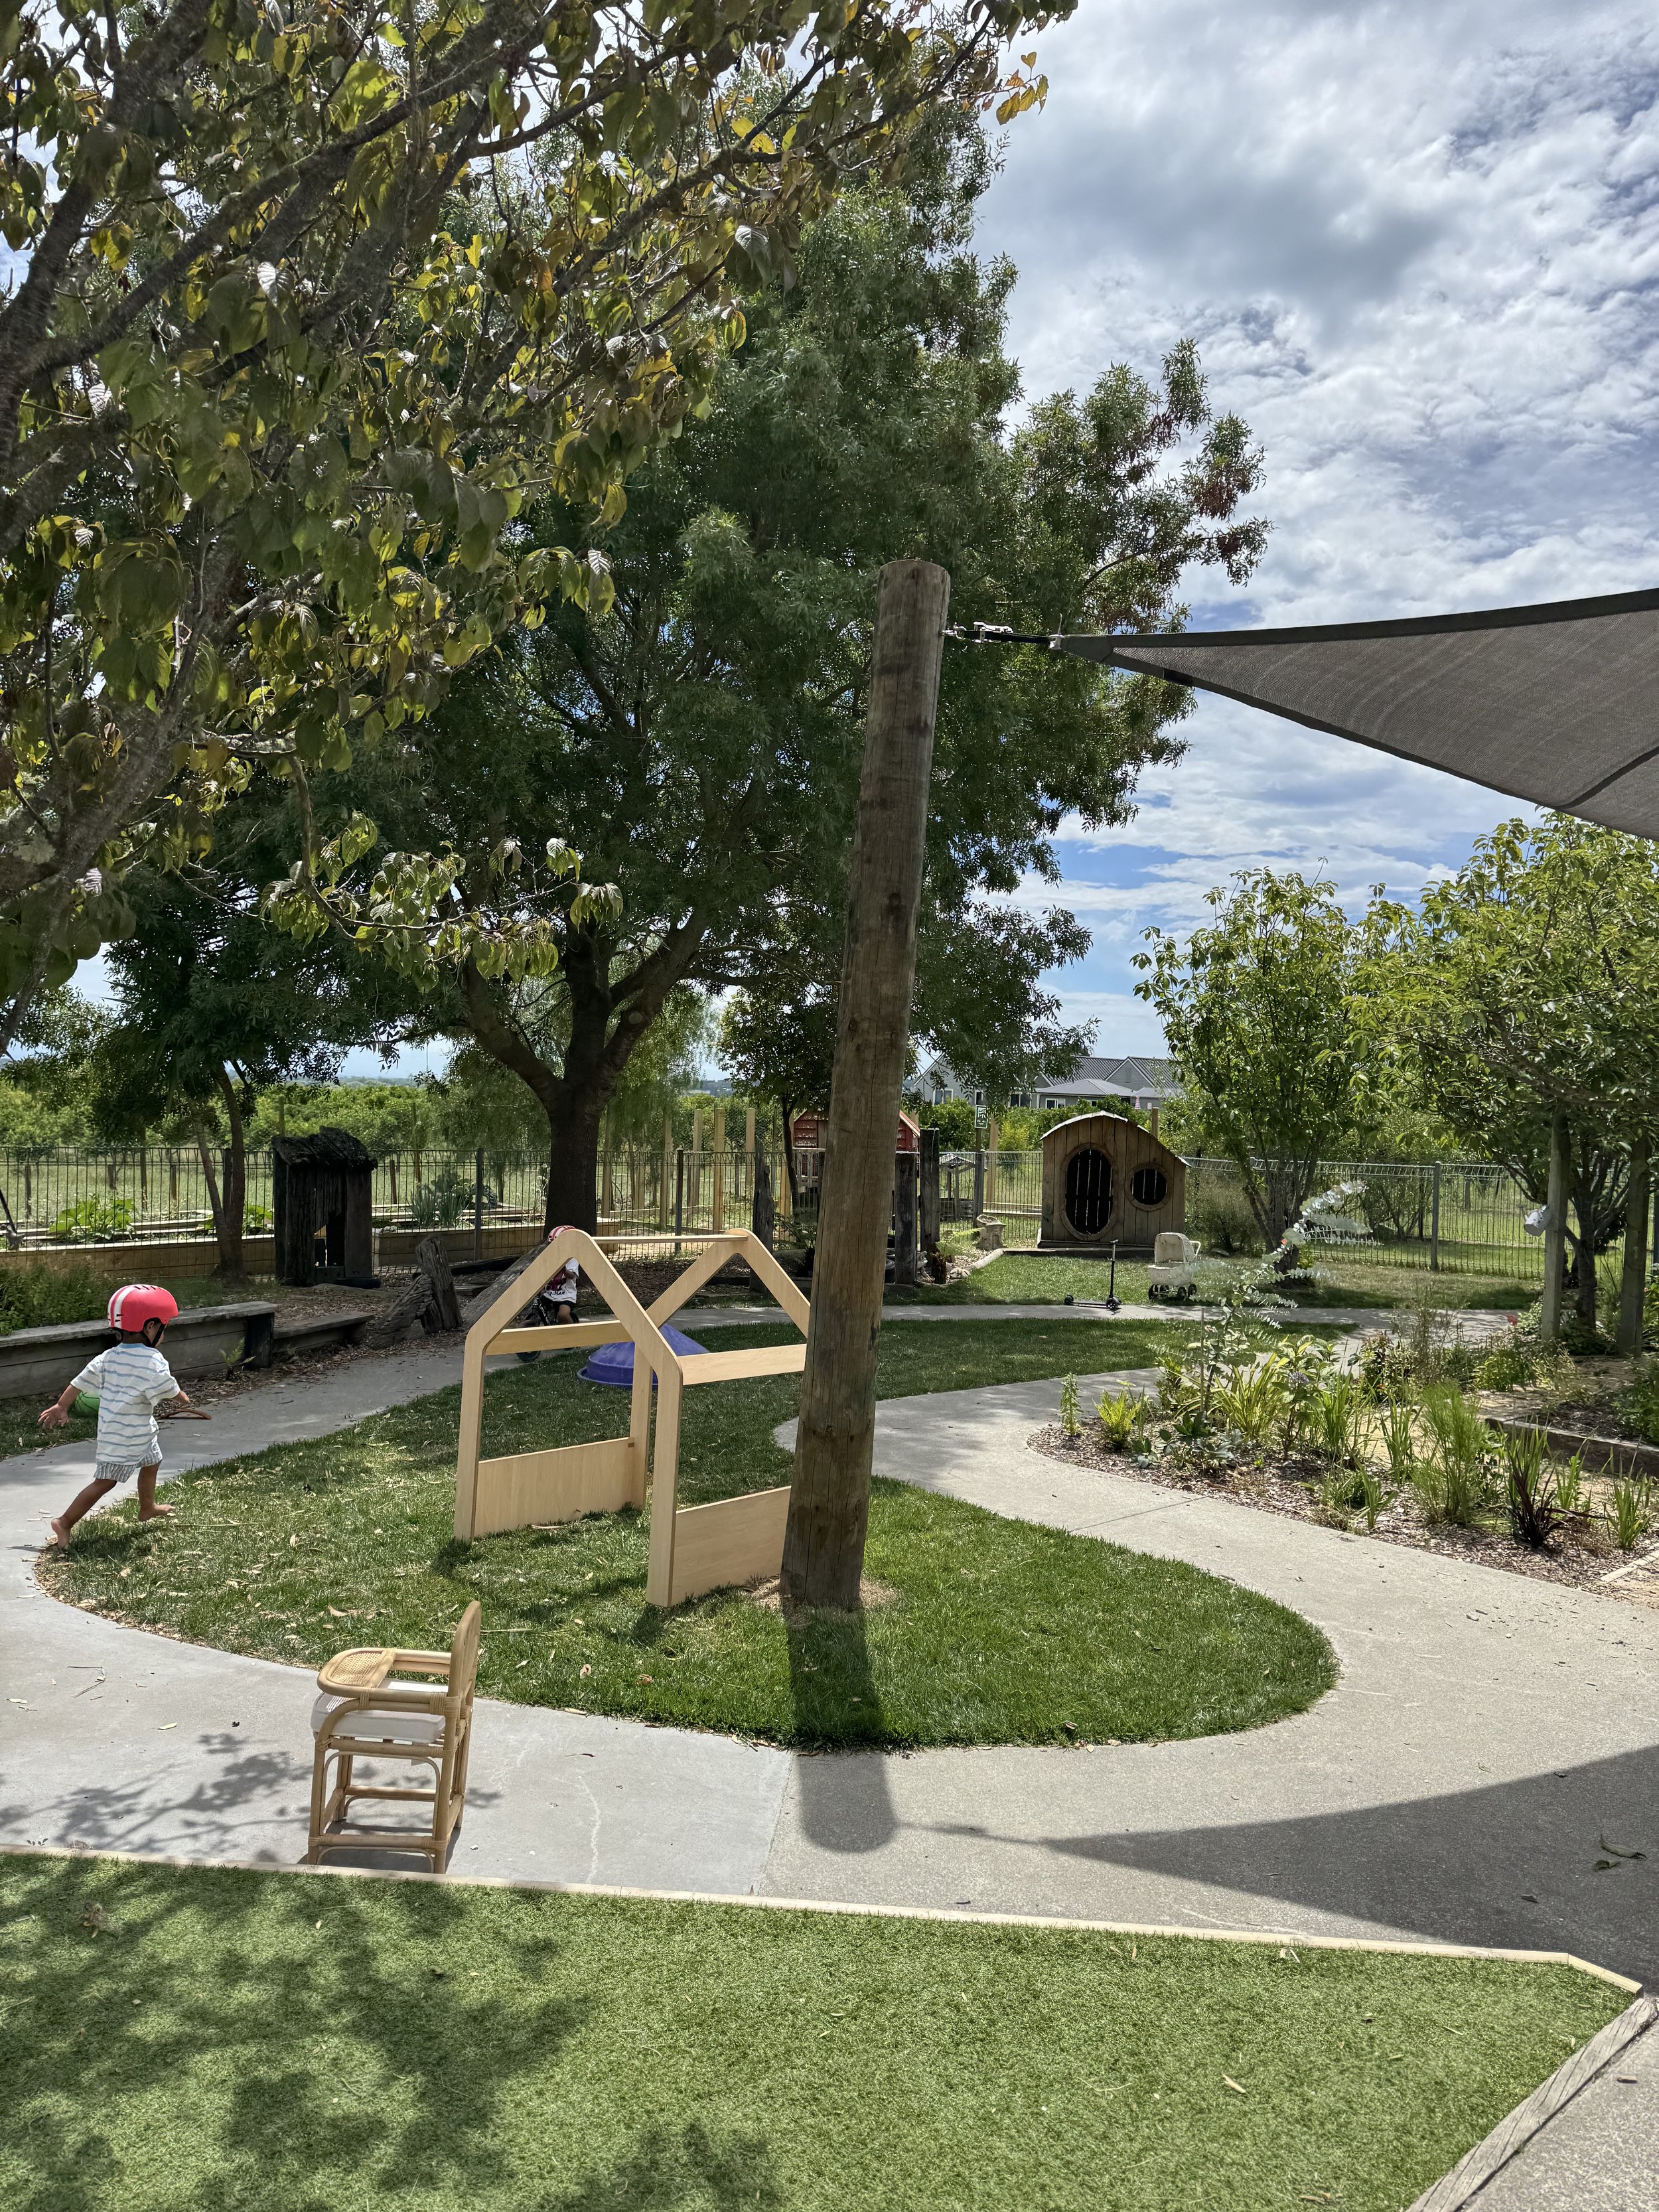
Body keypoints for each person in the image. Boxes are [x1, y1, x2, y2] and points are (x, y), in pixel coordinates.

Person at [39, 1284, 192, 1547]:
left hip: (133, 1431)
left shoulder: (107, 1357)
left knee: (152, 1462)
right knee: (105, 1482)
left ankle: (148, 1508)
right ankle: (64, 1522)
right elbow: (170, 1388)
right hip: (126, 1436)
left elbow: (79, 1382)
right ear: (151, 1327)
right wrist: (184, 1399)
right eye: (164, 1327)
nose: (164, 1333)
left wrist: (61, 1406)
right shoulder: (154, 1361)